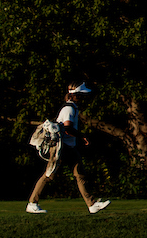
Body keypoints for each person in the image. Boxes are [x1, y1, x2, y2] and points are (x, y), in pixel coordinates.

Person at [27, 81, 111, 214]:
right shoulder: (69, 109)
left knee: (80, 174)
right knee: (49, 175)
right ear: (76, 96)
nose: (83, 98)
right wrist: (81, 137)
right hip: (61, 147)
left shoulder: (73, 108)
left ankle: (92, 204)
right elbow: (67, 128)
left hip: (69, 147)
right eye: (81, 95)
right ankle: (32, 203)